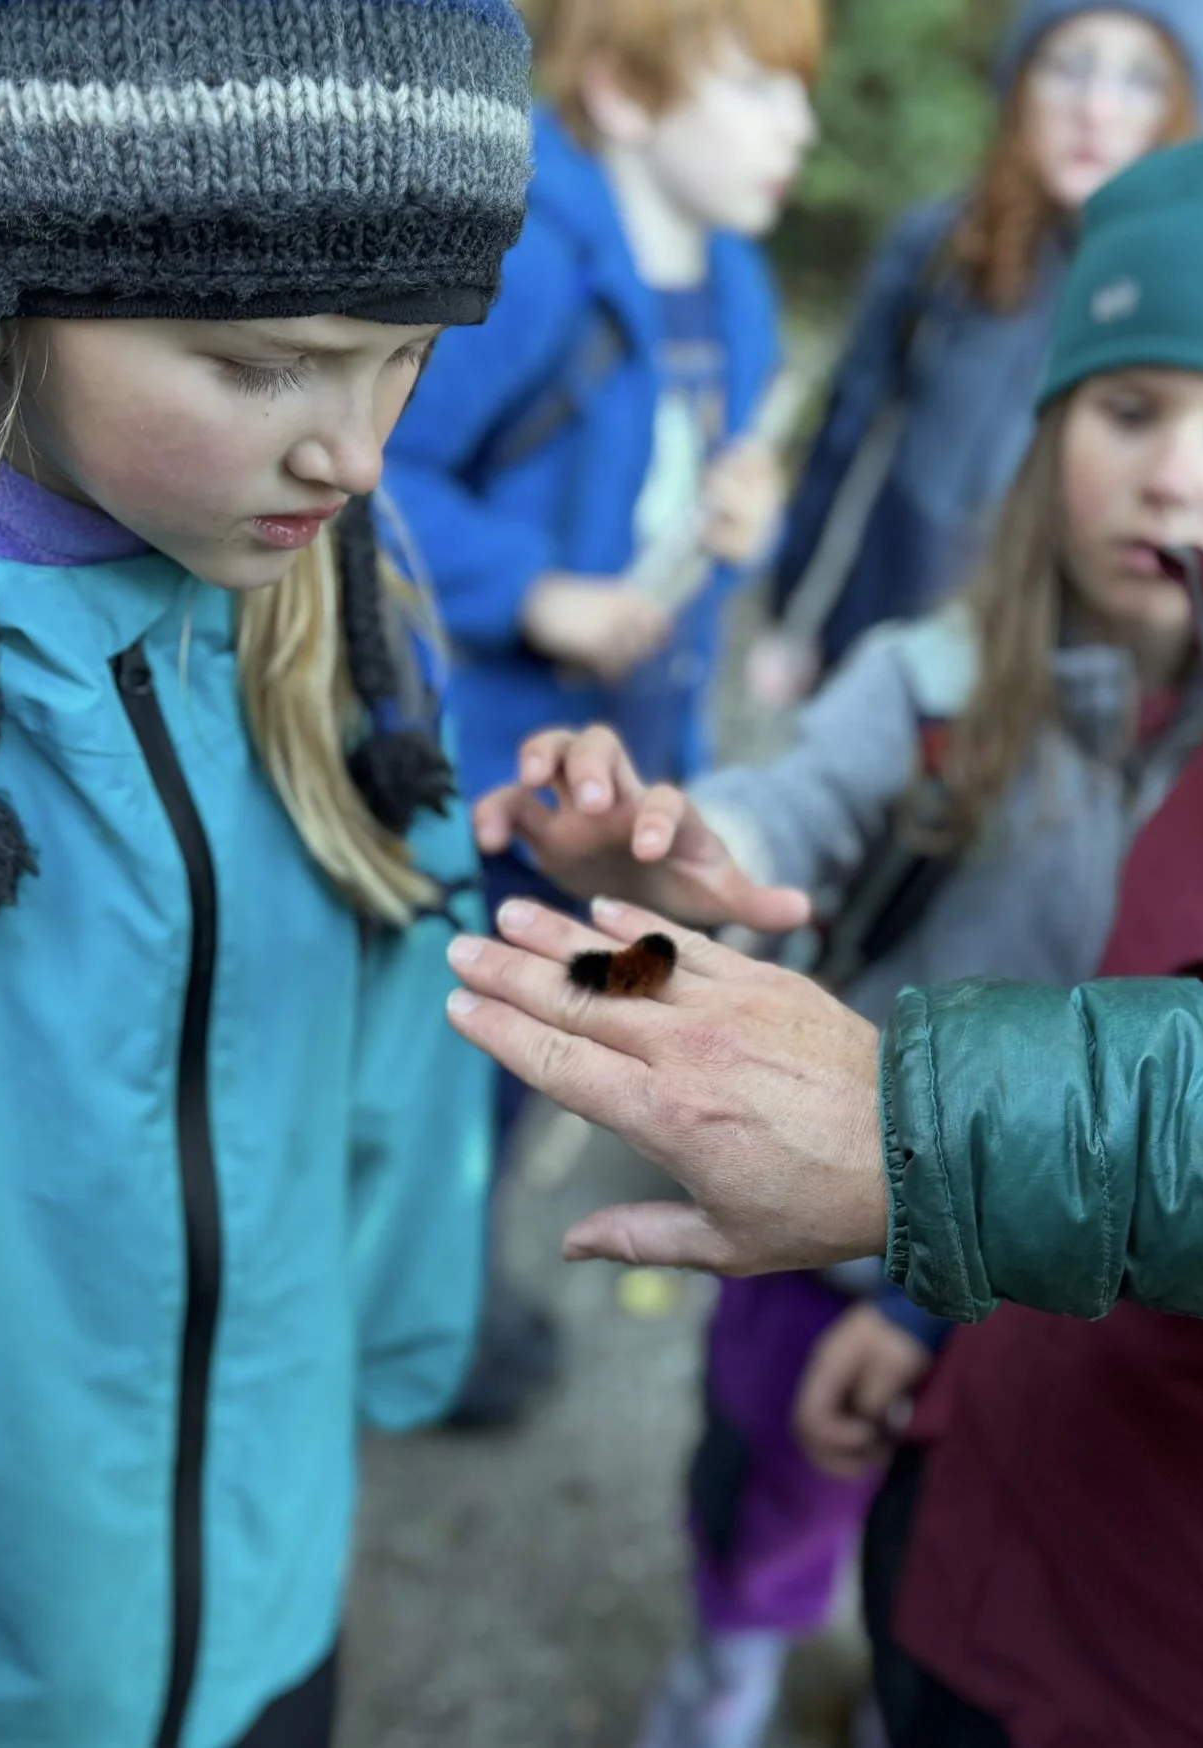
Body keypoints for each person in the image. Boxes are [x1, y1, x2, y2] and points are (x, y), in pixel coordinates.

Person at [462, 120, 1203, 1748]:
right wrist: (674, 855)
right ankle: (732, 1659)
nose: (1175, 469)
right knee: (764, 1486)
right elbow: (777, 835)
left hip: (1019, 1289)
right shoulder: (923, 681)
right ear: (1046, 428)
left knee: (882, 1500)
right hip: (812, 1233)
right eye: (1126, 410)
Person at [0, 3, 531, 1745]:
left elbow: (389, 1019)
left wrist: (398, 1335)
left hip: (268, 1597)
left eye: (407, 355)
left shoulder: (351, 621)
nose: (357, 454)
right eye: (260, 361)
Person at [384, 0, 821, 1424]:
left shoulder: (739, 284)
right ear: (626, 97)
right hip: (483, 765)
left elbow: (700, 481)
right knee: (434, 1056)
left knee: (556, 1039)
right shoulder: (526, 267)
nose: (794, 130)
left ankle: (450, 1277)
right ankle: (401, 1312)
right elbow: (368, 472)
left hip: (625, 775)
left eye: (800, 96)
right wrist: (538, 593)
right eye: (756, 90)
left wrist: (742, 518)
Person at [750, 0, 1203, 710]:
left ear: (1185, 112)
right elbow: (845, 445)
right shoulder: (940, 251)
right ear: (1019, 83)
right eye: (1068, 66)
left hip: (1044, 700)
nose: (1095, 108)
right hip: (875, 657)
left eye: (1141, 80)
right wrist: (792, 616)